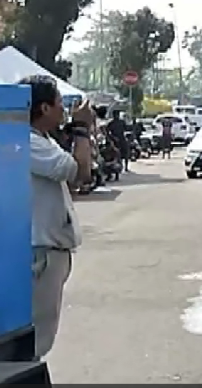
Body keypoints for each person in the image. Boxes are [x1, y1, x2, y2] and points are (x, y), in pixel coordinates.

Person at [23, 75, 94, 359]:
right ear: (43, 108)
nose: (63, 111)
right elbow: (79, 170)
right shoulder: (29, 143)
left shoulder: (43, 141)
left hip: (49, 249)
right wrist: (80, 129)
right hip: (41, 250)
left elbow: (80, 177)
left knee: (41, 331)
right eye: (59, 105)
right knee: (37, 334)